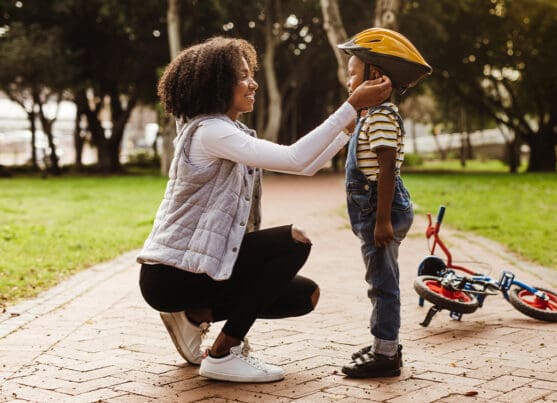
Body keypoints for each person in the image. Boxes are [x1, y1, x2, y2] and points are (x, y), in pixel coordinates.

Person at [136, 36, 392, 383]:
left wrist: (351, 121)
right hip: (170, 275)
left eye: (250, 73)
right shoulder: (211, 131)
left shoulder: (227, 130)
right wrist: (350, 105)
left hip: (195, 270)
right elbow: (295, 157)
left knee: (304, 295)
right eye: (243, 76)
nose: (252, 82)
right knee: (294, 242)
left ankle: (196, 315)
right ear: (217, 83)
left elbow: (307, 165)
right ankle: (224, 353)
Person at [336, 28, 432, 378]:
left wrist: (381, 221)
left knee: (383, 283)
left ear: (374, 75)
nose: (348, 83)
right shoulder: (369, 116)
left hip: (382, 209)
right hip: (379, 208)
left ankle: (386, 353)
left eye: (352, 75)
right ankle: (382, 343)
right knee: (381, 277)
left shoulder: (380, 116)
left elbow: (387, 168)